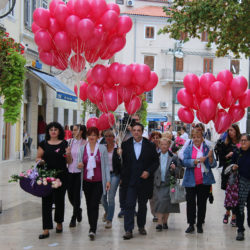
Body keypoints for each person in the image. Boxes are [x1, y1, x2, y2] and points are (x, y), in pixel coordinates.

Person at [121, 123, 159, 240]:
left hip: (144, 181)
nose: (136, 132)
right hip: (130, 181)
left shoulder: (150, 145)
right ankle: (128, 229)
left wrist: (148, 171)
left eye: (138, 130)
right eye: (134, 130)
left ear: (142, 132)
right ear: (131, 131)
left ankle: (141, 226)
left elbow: (155, 162)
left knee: (142, 205)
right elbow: (122, 163)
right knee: (129, 205)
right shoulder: (125, 145)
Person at [36, 122, 71, 239]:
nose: (53, 131)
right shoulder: (43, 144)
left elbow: (69, 162)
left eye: (56, 129)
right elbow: (38, 157)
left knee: (60, 201)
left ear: (59, 131)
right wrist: (40, 161)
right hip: (47, 176)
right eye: (51, 129)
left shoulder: (64, 143)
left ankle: (59, 223)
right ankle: (46, 229)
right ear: (48, 132)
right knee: (46, 202)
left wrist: (69, 154)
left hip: (61, 176)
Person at [77, 127, 111, 240]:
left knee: (94, 204)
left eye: (94, 135)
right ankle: (92, 226)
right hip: (87, 181)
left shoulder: (102, 149)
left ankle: (93, 229)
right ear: (87, 136)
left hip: (98, 182)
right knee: (88, 205)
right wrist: (80, 165)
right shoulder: (82, 149)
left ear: (98, 137)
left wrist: (108, 180)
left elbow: (106, 165)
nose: (92, 137)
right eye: (90, 135)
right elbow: (79, 163)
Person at [182, 128, 216, 234]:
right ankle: (191, 224)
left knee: (202, 204)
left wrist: (210, 159)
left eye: (199, 137)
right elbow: (184, 162)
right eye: (194, 137)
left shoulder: (208, 148)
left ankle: (200, 224)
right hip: (190, 181)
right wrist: (196, 161)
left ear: (202, 138)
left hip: (204, 181)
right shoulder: (188, 148)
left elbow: (213, 164)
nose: (196, 139)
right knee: (190, 203)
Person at [215, 124, 241, 226]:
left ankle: (233, 215)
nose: (230, 132)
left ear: (236, 131)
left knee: (236, 195)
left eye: (232, 130)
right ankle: (227, 212)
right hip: (227, 172)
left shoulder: (240, 142)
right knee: (228, 194)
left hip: (239, 172)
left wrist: (234, 153)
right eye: (229, 130)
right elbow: (221, 158)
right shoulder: (225, 143)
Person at [154, 138, 182, 231]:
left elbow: (180, 172)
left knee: (167, 203)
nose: (163, 146)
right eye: (161, 144)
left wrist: (175, 169)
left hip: (169, 183)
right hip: (158, 183)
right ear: (159, 145)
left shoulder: (174, 157)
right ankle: (159, 223)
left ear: (169, 145)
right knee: (159, 201)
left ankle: (165, 221)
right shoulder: (155, 155)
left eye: (165, 144)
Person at [67, 124, 87, 228]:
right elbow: (67, 158)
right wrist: (68, 154)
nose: (73, 132)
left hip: (80, 173)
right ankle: (78, 209)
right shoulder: (70, 142)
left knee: (76, 195)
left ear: (81, 131)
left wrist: (83, 163)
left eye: (75, 130)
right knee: (70, 194)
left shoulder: (85, 143)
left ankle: (73, 217)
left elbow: (88, 157)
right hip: (70, 171)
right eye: (72, 130)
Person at [101, 130, 122, 229]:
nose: (108, 138)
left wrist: (120, 155)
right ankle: (107, 211)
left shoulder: (118, 149)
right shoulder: (102, 149)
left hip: (114, 175)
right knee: (102, 198)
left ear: (114, 137)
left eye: (110, 136)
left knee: (111, 197)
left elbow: (122, 164)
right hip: (104, 175)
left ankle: (109, 219)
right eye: (106, 136)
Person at [232, 134, 250, 241]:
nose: (243, 142)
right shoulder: (237, 152)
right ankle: (240, 230)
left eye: (245, 140)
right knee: (239, 208)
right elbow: (230, 166)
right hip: (239, 184)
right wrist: (233, 167)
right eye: (241, 140)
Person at [149, 131, 162, 222]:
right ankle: (155, 214)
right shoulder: (148, 149)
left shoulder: (164, 149)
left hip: (162, 176)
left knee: (161, 196)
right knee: (152, 197)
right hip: (151, 176)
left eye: (157, 137)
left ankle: (161, 213)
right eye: (154, 138)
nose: (156, 139)